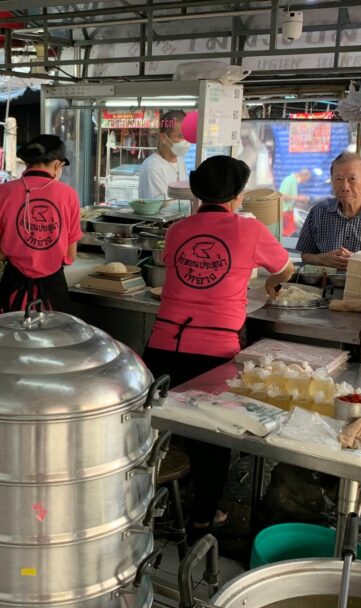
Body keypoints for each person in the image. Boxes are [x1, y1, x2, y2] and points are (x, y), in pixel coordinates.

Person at [143, 155, 294, 537]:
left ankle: (150, 509)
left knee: (157, 432)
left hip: (162, 345)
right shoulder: (250, 230)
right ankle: (201, 518)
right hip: (212, 353)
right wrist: (269, 286)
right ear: (238, 196)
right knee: (214, 440)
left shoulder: (177, 230)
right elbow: (285, 268)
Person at [0, 134, 82, 313]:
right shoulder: (69, 195)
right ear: (58, 165)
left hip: (12, 288)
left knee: (8, 337)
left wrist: (20, 256)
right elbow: (70, 254)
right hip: (52, 294)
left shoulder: (2, 192)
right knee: (53, 338)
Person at [296, 152, 361, 270]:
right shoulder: (318, 212)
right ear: (332, 181)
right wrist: (321, 259)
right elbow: (305, 255)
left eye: (352, 179)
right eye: (338, 179)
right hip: (324, 284)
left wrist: (358, 261)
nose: (345, 187)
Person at [138, 110, 190, 200]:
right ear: (163, 138)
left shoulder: (180, 160)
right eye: (181, 136)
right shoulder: (153, 167)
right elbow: (160, 206)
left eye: (187, 136)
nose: (186, 142)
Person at [279, 168, 313, 236]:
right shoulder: (289, 180)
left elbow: (290, 196)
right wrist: (298, 198)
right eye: (305, 180)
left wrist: (300, 198)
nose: (304, 182)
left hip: (289, 213)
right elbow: (282, 196)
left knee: (291, 234)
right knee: (288, 236)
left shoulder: (294, 182)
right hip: (284, 213)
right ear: (303, 176)